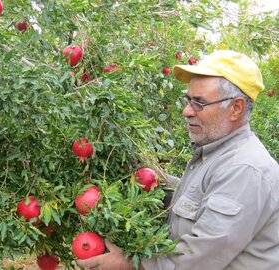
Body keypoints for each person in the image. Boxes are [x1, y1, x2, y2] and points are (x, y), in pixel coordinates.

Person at [77, 50, 279, 270]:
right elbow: (198, 198)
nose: (186, 111)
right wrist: (149, 175)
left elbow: (197, 260)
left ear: (236, 108)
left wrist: (131, 265)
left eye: (199, 103)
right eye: (188, 100)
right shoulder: (214, 155)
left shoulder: (245, 170)